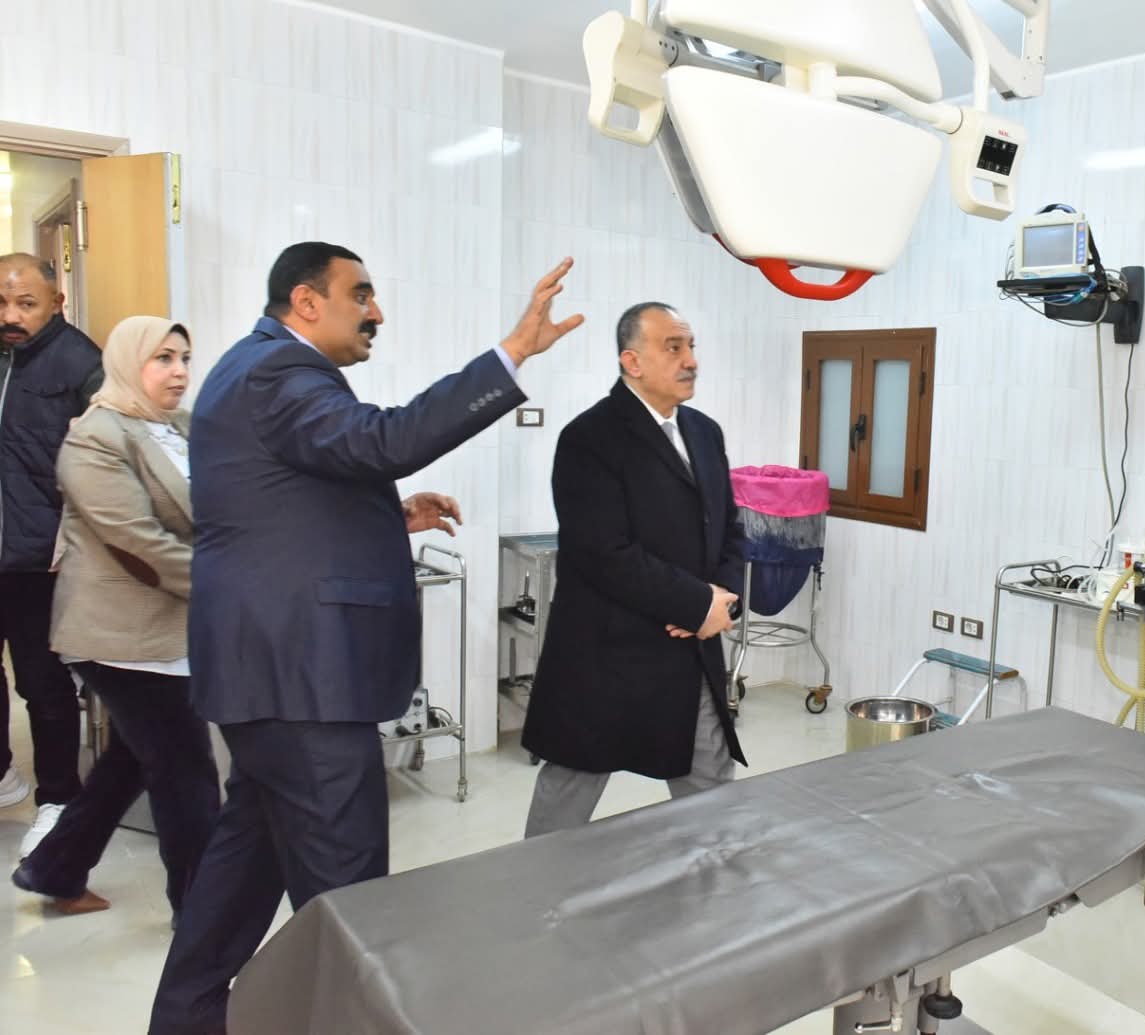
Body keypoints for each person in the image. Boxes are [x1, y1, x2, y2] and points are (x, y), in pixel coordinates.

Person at [148, 243, 582, 1034]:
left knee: (240, 877)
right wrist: (513, 351)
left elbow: (288, 498)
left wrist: (390, 514)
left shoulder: (253, 368)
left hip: (271, 680)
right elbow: (384, 440)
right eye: (362, 295)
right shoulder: (281, 372)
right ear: (306, 301)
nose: (376, 311)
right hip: (303, 682)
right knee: (351, 899)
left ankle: (186, 1018)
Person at [11, 317, 219, 920]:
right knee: (186, 772)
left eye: (185, 358)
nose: (179, 372)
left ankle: (54, 868)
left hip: (169, 626)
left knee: (133, 758)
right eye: (163, 359)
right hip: (118, 634)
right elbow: (137, 541)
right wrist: (230, 584)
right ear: (128, 363)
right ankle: (202, 917)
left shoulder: (179, 428)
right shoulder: (95, 437)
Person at [521, 301, 745, 838]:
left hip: (687, 650)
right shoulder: (590, 438)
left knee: (710, 783)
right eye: (674, 347)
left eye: (691, 346)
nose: (691, 360)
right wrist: (695, 603)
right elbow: (603, 552)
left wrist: (721, 599)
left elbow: (729, 528)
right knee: (571, 787)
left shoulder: (704, 433)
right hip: (607, 654)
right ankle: (533, 884)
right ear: (633, 361)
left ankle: (713, 880)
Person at [0, 253, 103, 852]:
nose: (10, 316)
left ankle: (59, 799)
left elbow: (108, 459)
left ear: (57, 302)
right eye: (1, 302)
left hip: (42, 559)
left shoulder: (81, 363)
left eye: (26, 303)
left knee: (43, 685)